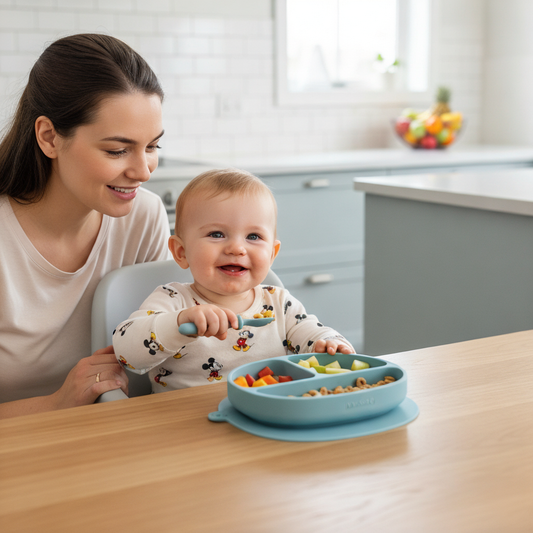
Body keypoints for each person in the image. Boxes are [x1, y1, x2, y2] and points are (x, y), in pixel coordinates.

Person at [0, 34, 171, 418]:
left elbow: (157, 361)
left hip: (108, 437)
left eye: (153, 146)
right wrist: (56, 403)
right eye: (117, 150)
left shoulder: (143, 218)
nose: (142, 170)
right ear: (49, 137)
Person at [112, 168, 354, 392]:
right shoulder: (172, 301)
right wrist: (178, 324)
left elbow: (310, 332)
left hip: (265, 416)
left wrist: (329, 343)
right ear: (181, 252)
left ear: (271, 254)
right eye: (216, 234)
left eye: (253, 236)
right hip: (185, 425)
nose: (237, 248)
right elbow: (126, 354)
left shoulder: (279, 302)